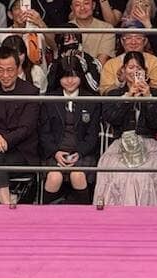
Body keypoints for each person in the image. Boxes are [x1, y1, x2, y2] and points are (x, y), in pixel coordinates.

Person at [94, 51, 157, 206]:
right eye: (130, 67)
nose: (135, 71)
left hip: (148, 146)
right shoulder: (114, 94)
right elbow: (111, 118)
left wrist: (147, 98)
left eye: (139, 68)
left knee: (142, 176)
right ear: (123, 70)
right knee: (118, 173)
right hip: (120, 145)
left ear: (145, 72)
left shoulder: (156, 94)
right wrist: (128, 98)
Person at [0, 46, 40, 205]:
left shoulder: (30, 92)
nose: (5, 75)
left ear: (18, 68)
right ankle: (6, 206)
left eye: (10, 70)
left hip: (21, 152)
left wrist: (2, 140)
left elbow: (26, 128)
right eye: (0, 70)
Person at [39, 56, 100, 204]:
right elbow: (44, 133)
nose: (70, 81)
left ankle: (85, 216)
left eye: (74, 76)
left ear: (81, 76)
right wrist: (55, 152)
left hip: (82, 153)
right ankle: (44, 216)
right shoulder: (49, 99)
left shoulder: (91, 100)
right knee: (54, 177)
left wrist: (79, 153)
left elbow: (92, 135)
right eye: (65, 76)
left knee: (77, 175)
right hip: (55, 152)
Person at [99, 20, 157, 95]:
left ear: (145, 41)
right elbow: (105, 91)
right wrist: (120, 81)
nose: (133, 42)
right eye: (128, 38)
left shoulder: (155, 62)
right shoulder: (111, 64)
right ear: (122, 41)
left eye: (138, 38)